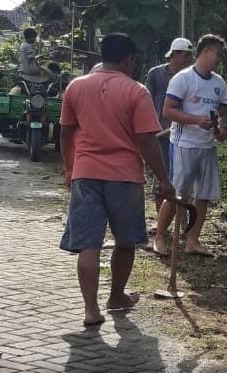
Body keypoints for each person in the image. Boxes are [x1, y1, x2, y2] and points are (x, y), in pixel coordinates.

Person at [59, 32, 175, 327]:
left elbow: (66, 132)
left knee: (88, 244)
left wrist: (69, 168)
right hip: (124, 176)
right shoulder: (136, 91)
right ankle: (116, 296)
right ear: (128, 59)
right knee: (125, 241)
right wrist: (163, 178)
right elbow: (147, 141)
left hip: (86, 174)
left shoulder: (76, 86)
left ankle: (90, 310)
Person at [155, 34, 227, 257]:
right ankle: (160, 236)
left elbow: (225, 111)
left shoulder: (219, 83)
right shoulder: (183, 79)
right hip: (183, 144)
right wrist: (196, 120)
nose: (219, 59)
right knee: (177, 194)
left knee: (203, 196)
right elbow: (168, 111)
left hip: (208, 146)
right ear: (206, 52)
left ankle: (192, 241)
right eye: (217, 54)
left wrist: (222, 128)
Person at [146, 37, 193, 214]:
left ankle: (183, 220)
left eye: (189, 56)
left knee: (183, 179)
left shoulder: (191, 77)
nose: (188, 60)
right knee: (162, 177)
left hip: (183, 134)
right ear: (173, 55)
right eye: (185, 56)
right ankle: (161, 221)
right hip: (161, 135)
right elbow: (148, 102)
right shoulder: (156, 75)